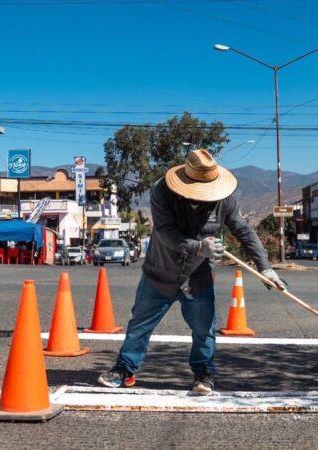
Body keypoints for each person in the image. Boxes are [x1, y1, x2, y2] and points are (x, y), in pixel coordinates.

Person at [97, 149, 287, 395]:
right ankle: (124, 369)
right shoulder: (162, 191)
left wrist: (266, 268)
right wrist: (199, 247)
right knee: (140, 323)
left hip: (197, 276)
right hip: (160, 270)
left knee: (204, 328)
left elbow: (245, 231)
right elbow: (165, 232)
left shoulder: (224, 199)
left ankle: (204, 374)